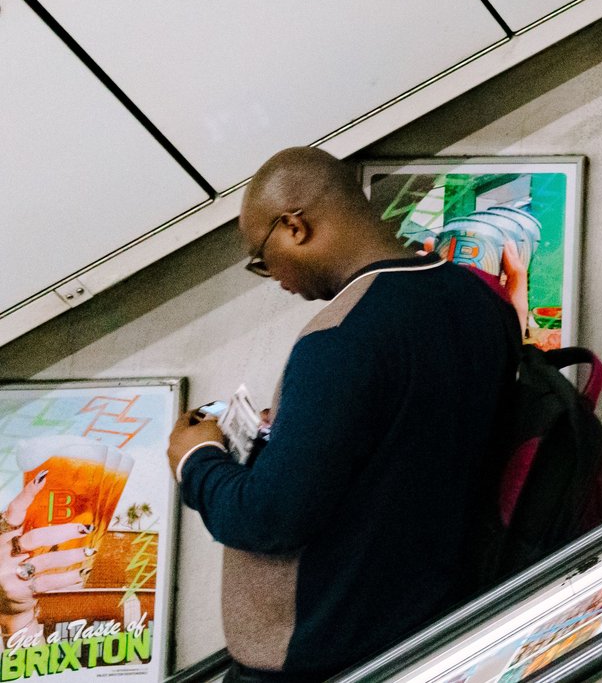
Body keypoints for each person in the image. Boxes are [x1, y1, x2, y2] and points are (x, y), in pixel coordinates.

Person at [164, 148, 513, 683]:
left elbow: (268, 518)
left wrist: (196, 461)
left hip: (329, 651)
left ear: (294, 227)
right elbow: (403, 443)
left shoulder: (340, 338)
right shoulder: (474, 296)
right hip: (425, 612)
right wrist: (291, 429)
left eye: (261, 259)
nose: (272, 277)